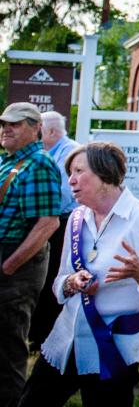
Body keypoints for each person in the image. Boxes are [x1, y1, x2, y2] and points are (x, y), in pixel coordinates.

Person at [18, 143, 139, 407]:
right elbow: (59, 283)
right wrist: (71, 282)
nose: (71, 180)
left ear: (105, 174)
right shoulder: (76, 218)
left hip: (112, 347)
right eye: (69, 172)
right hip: (66, 339)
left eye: (78, 171)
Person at [0, 103, 61, 407]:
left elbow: (48, 223)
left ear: (36, 128)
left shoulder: (39, 163)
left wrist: (8, 267)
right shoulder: (9, 160)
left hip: (15, 266)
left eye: (15, 124)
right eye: (3, 123)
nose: (5, 128)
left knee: (8, 348)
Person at [29, 111, 80, 348]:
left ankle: (45, 336)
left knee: (52, 275)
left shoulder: (70, 153)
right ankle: (38, 332)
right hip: (52, 220)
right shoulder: (49, 152)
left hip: (63, 223)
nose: (36, 135)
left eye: (38, 130)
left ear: (50, 132)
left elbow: (61, 194)